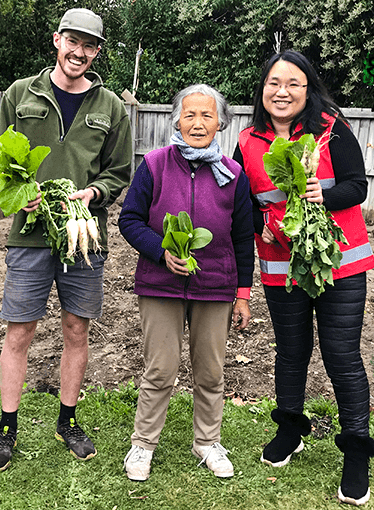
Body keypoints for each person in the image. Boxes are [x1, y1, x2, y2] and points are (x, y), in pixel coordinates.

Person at [0, 8, 133, 472]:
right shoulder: (19, 94)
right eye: (73, 41)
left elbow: (119, 172)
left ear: (97, 52)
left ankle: (67, 420)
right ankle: (7, 427)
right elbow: (5, 163)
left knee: (76, 329)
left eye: (89, 46)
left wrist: (94, 193)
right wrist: (18, 195)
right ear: (56, 40)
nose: (79, 53)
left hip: (84, 236)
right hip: (29, 235)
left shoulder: (112, 107)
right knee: (20, 330)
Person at [233, 50, 374, 506]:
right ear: (263, 90)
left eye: (294, 83)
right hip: (280, 267)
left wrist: (325, 193)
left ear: (308, 88)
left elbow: (358, 185)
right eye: (274, 83)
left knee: (341, 357)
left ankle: (356, 452)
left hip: (340, 265)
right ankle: (290, 430)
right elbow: (248, 206)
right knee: (291, 353)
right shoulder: (247, 140)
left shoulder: (331, 129)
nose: (282, 92)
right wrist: (260, 227)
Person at [118, 84, 255, 481]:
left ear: (220, 123)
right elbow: (130, 220)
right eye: (190, 115)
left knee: (211, 372)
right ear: (176, 119)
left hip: (215, 286)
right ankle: (142, 445)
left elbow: (243, 237)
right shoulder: (155, 164)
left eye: (207, 116)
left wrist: (242, 294)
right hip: (160, 285)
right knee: (160, 370)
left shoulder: (233, 174)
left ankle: (207, 442)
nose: (198, 123)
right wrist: (162, 251)